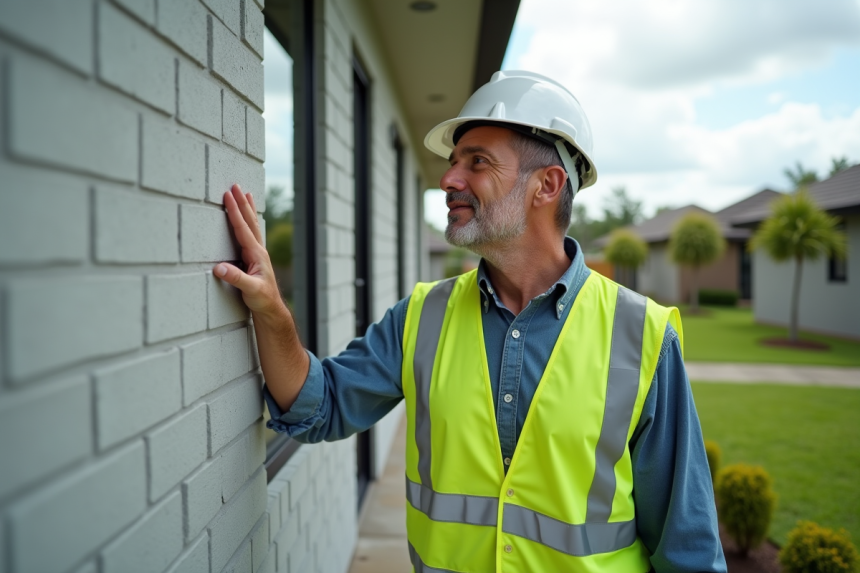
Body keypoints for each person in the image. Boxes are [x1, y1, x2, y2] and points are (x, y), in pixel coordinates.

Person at [214, 70, 727, 572]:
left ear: (546, 185)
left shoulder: (643, 336)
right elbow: (317, 406)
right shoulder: (422, 316)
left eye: (477, 162)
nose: (448, 179)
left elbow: (687, 547)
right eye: (454, 161)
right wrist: (273, 312)